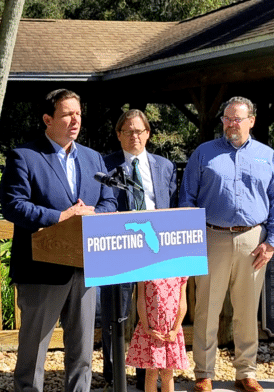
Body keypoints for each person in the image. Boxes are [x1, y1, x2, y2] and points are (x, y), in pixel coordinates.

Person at [0, 89, 117, 392]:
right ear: (48, 119)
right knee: (34, 352)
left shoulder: (94, 158)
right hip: (41, 269)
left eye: (78, 113)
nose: (75, 120)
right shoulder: (24, 156)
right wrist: (61, 217)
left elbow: (110, 202)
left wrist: (92, 213)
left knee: (81, 353)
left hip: (86, 267)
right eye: (67, 114)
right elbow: (13, 205)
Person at [179, 96, 274, 392]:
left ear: (251, 121)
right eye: (226, 118)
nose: (230, 124)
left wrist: (271, 243)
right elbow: (187, 197)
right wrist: (191, 237)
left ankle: (246, 373)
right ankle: (204, 373)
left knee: (246, 309)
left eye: (236, 119)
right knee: (206, 310)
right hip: (211, 236)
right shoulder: (204, 154)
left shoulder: (268, 157)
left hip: (253, 240)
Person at [99, 109, 178, 389]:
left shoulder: (164, 167)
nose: (135, 136)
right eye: (128, 131)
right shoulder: (104, 166)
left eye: (139, 131)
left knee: (155, 316)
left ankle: (149, 374)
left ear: (148, 134)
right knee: (114, 316)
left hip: (155, 252)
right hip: (118, 250)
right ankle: (114, 374)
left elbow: (171, 207)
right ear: (119, 135)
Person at [126, 276, 189, 392]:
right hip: (151, 329)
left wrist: (175, 330)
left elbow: (182, 302)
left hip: (170, 331)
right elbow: (141, 300)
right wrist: (146, 327)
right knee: (151, 372)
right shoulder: (146, 272)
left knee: (167, 373)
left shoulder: (180, 272)